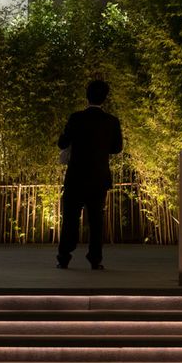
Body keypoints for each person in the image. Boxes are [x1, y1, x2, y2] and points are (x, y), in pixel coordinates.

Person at [57, 79, 124, 271]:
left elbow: (62, 143)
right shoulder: (112, 121)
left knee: (70, 218)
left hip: (76, 177)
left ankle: (64, 257)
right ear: (105, 98)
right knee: (96, 220)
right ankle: (95, 259)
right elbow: (117, 148)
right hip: (99, 177)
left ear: (87, 96)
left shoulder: (76, 118)